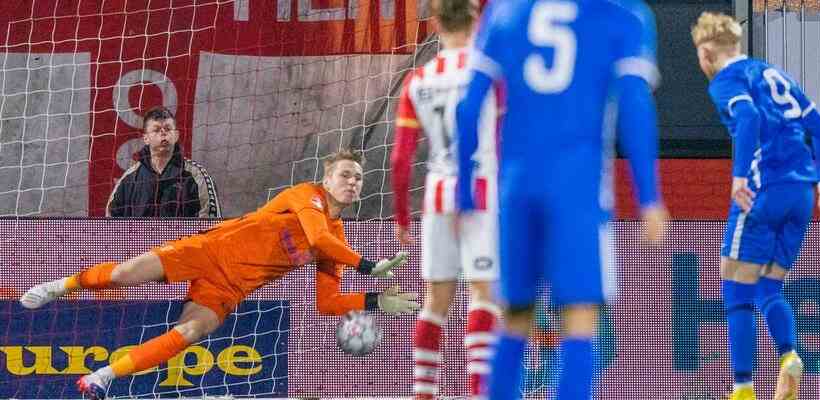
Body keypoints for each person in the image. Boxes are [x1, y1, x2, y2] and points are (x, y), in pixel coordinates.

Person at [20, 150, 420, 400]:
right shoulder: (306, 195)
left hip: (230, 288)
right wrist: (367, 267)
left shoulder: (337, 241)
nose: (353, 182)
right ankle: (62, 285)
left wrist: (374, 300)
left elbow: (326, 303)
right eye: (345, 174)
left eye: (358, 178)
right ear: (327, 177)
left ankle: (100, 378)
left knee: (189, 335)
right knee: (126, 273)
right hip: (209, 252)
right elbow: (315, 233)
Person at [455, 0, 668, 398]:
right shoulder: (623, 14)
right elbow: (634, 107)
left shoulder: (505, 11)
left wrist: (463, 193)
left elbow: (468, 108)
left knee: (515, 317)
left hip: (516, 186)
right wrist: (649, 198)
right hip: (578, 187)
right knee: (580, 316)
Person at [691, 12, 820, 400]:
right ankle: (789, 355)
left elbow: (747, 116)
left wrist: (740, 176)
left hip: (763, 191)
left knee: (734, 288)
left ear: (706, 53)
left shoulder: (727, 80)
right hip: (801, 196)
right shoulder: (775, 74)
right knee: (769, 287)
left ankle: (743, 389)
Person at [391, 0, 500, 398]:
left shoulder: (419, 79)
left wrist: (402, 216)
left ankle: (424, 392)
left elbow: (402, 157)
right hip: (483, 194)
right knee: (483, 295)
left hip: (437, 198)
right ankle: (479, 391)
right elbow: (506, 137)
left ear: (434, 23)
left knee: (436, 301)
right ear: (475, 20)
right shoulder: (489, 73)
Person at [107, 106, 221, 218]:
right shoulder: (129, 179)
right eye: (156, 130)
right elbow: (111, 222)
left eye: (167, 128)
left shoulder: (196, 176)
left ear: (176, 135)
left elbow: (211, 225)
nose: (163, 133)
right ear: (145, 138)